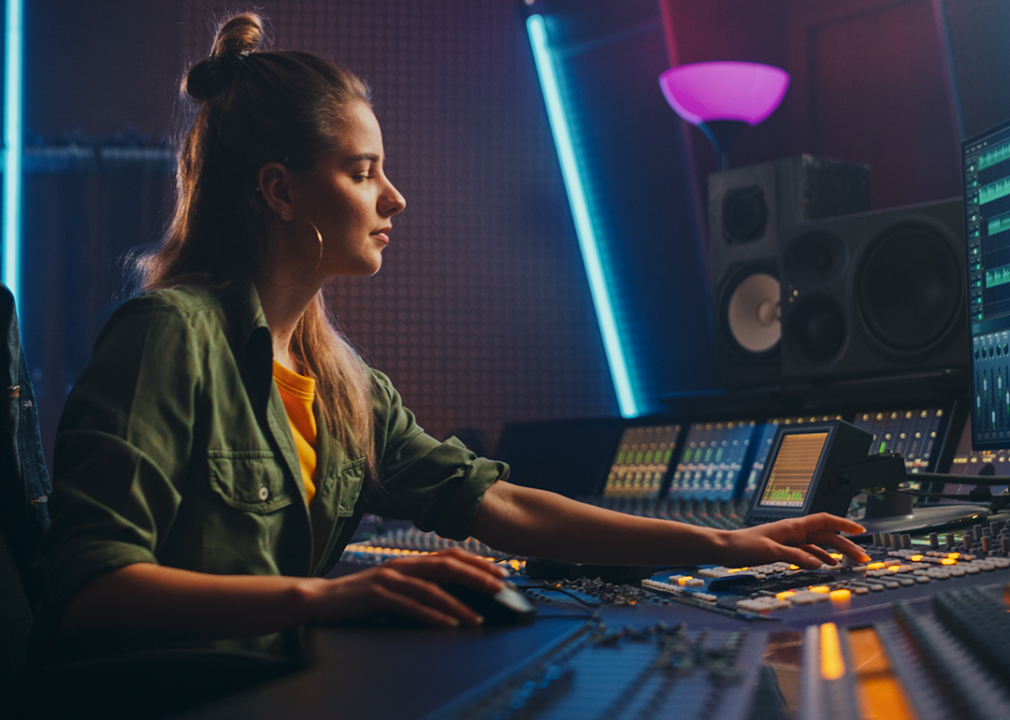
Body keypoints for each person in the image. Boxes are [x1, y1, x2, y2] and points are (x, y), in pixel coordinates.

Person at [31, 12, 868, 665]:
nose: (393, 199)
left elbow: (497, 505)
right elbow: (91, 588)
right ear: (280, 191)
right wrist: (326, 601)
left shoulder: (345, 382)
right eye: (363, 173)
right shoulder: (167, 338)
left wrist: (724, 542)